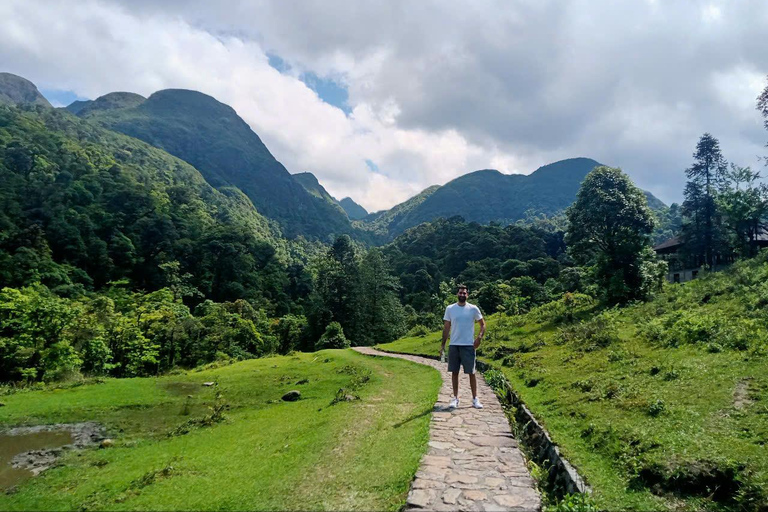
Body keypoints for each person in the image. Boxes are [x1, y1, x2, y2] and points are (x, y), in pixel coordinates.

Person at [440, 285, 486, 409]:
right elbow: (446, 327)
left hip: (468, 345)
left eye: (464, 293)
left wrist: (479, 338)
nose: (462, 295)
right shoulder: (450, 309)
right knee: (454, 372)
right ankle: (455, 398)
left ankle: (475, 398)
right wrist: (443, 345)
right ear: (457, 294)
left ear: (467, 295)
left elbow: (482, 325)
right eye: (460, 293)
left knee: (471, 372)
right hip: (454, 345)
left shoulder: (473, 309)